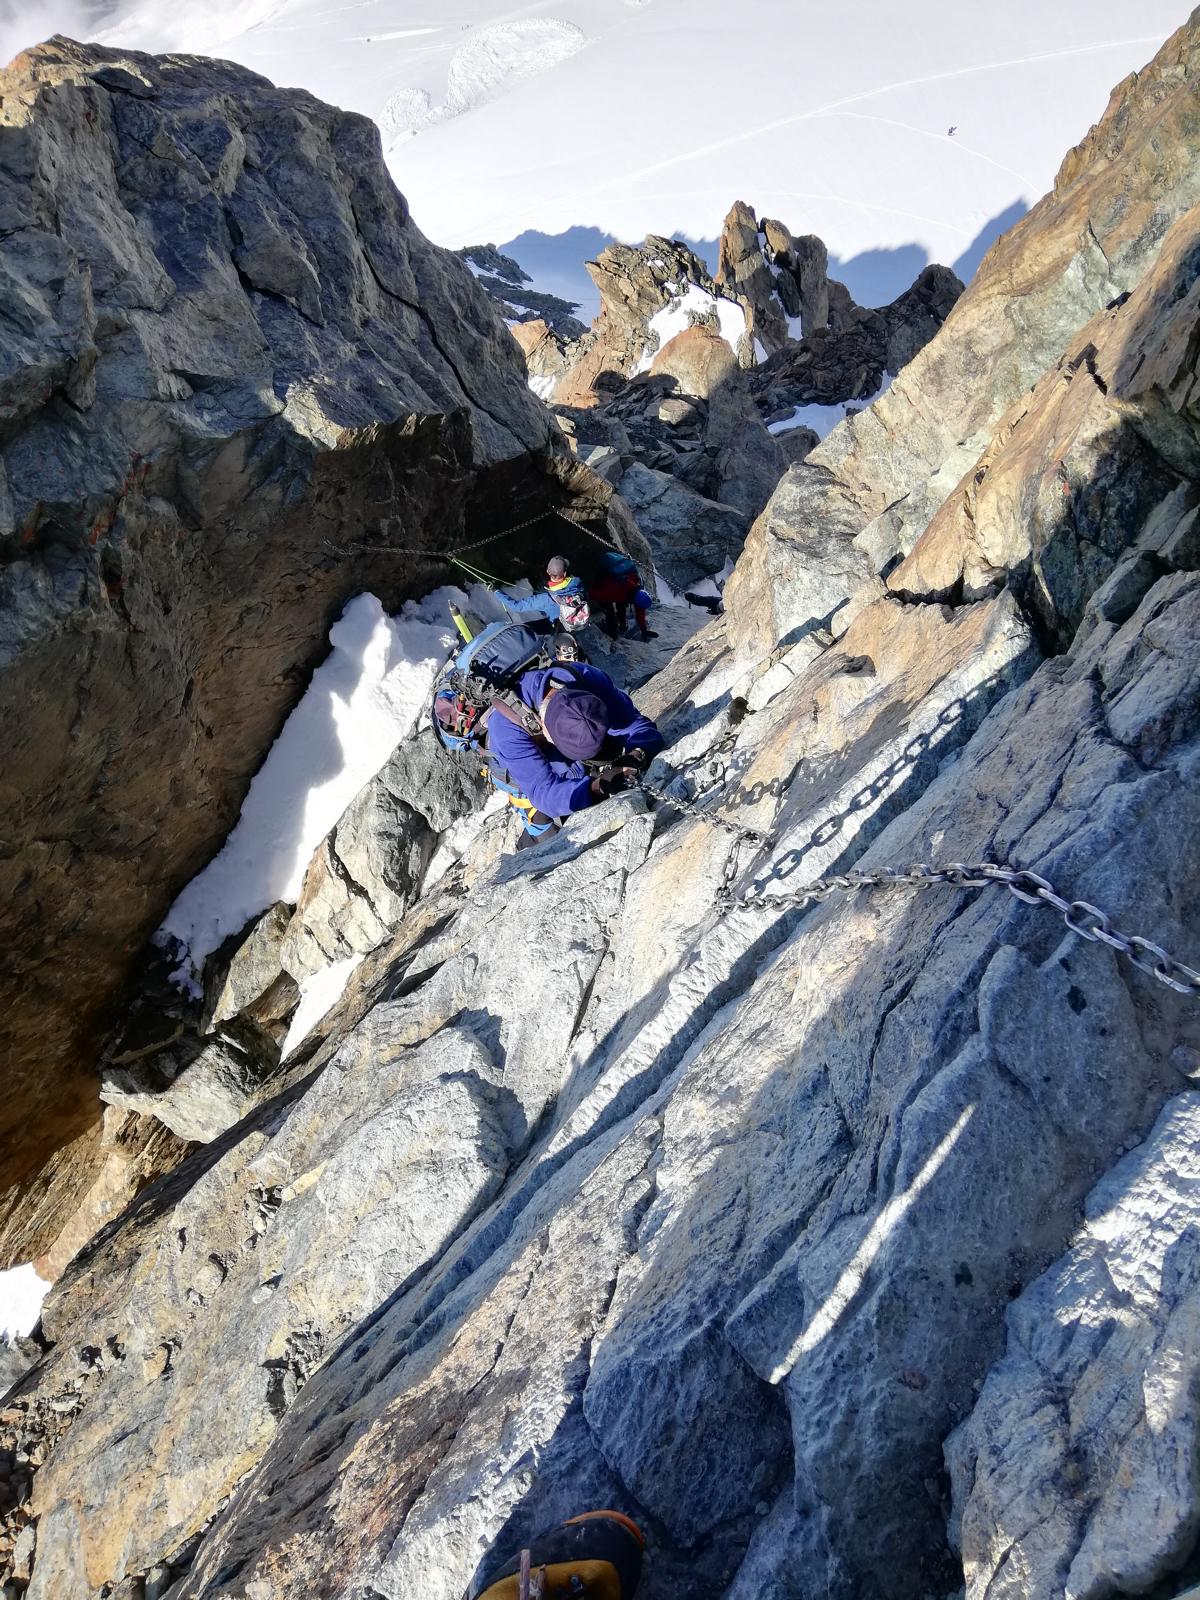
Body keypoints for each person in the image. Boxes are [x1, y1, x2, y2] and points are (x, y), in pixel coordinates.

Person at [485, 657, 663, 843]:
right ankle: (529, 841)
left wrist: (636, 755)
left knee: (608, 751)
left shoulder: (585, 677)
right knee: (544, 825)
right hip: (518, 770)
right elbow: (542, 792)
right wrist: (596, 788)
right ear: (543, 725)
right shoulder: (506, 729)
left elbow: (635, 725)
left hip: (557, 744)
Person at [497, 554, 591, 631]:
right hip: (579, 619)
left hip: (561, 626)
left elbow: (517, 606)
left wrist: (496, 591)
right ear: (565, 573)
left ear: (547, 571)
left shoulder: (544, 599)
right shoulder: (577, 582)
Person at [589, 550, 658, 641]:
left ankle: (622, 626)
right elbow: (594, 594)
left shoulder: (637, 586)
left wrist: (644, 630)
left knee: (622, 604)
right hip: (606, 584)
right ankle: (613, 635)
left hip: (618, 584)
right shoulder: (616, 593)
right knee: (610, 611)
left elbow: (640, 611)